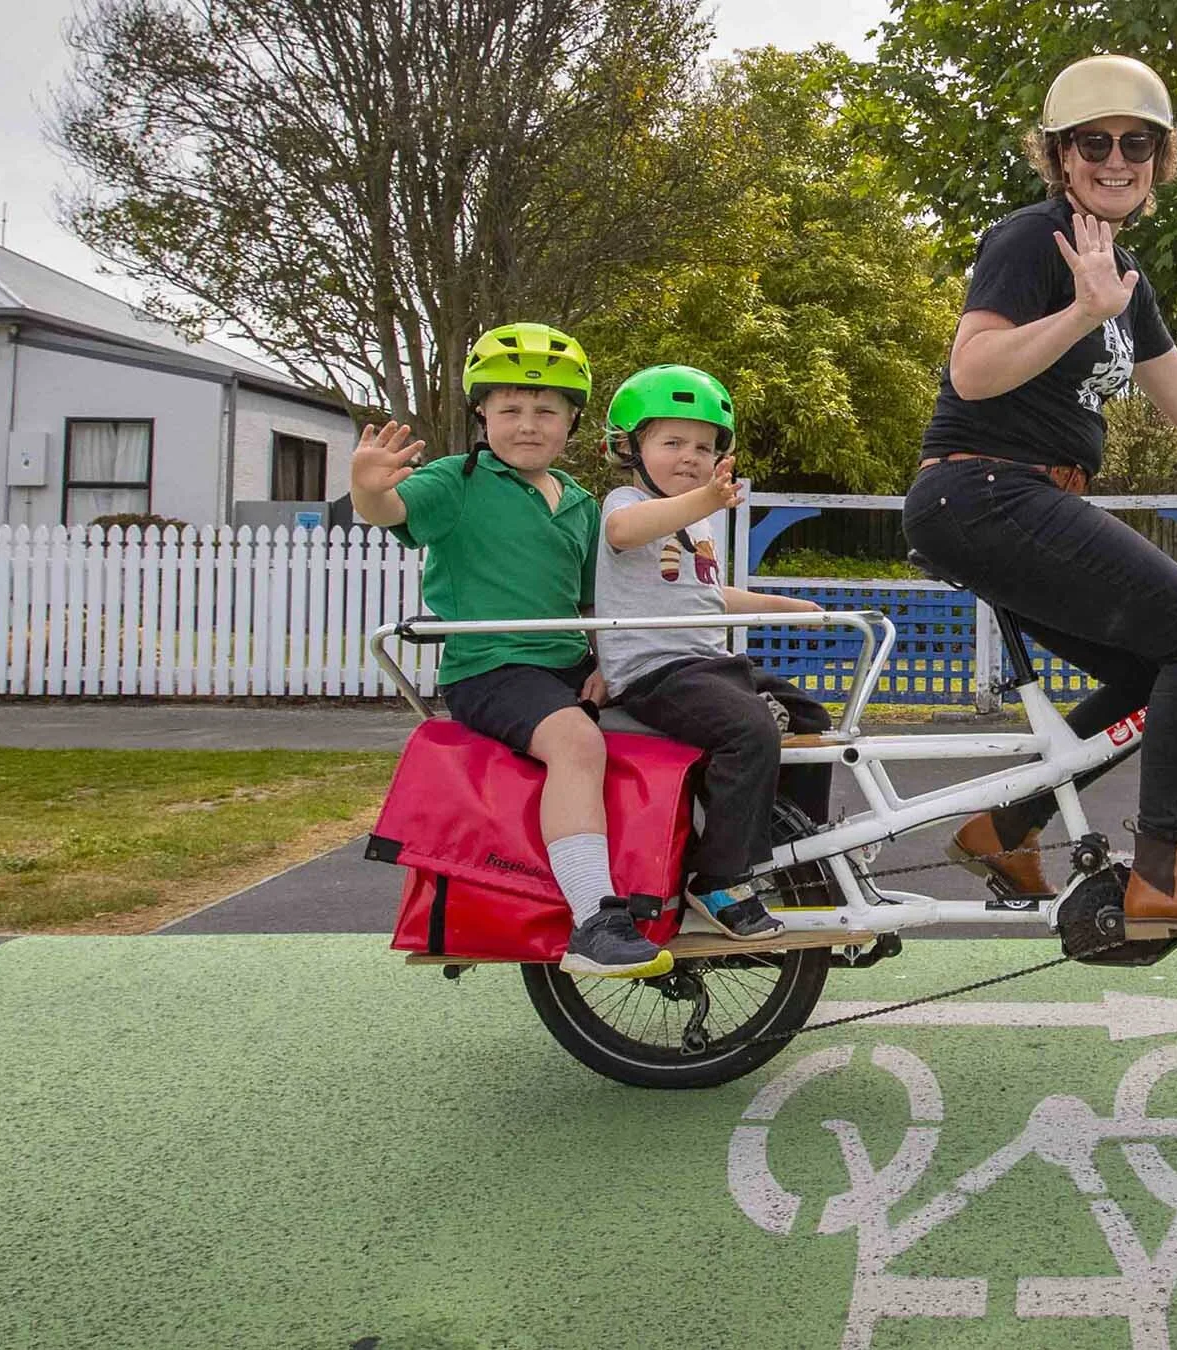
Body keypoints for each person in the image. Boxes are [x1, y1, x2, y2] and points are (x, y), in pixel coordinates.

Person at [901, 54, 1177, 935]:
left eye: (1135, 142)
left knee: (1155, 672)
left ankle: (1005, 827)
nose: (1115, 158)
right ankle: (1166, 870)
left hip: (1013, 499)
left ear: (1159, 158)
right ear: (1061, 157)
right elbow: (972, 370)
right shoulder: (1035, 240)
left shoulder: (1123, 272)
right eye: (1092, 142)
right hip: (983, 491)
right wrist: (1078, 311)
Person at [352, 323, 671, 979]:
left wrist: (607, 666)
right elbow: (386, 510)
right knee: (578, 746)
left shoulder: (581, 503)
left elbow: (596, 604)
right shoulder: (456, 480)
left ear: (572, 420)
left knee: (671, 725)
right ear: (482, 413)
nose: (528, 424)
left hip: (566, 666)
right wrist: (369, 487)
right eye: (510, 409)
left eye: (546, 410)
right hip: (491, 666)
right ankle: (593, 922)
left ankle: (669, 889)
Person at [592, 364, 832, 938]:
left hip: (707, 664)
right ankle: (716, 878)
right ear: (629, 446)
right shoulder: (624, 502)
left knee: (809, 717)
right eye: (671, 442)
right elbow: (625, 533)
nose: (689, 456)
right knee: (749, 730)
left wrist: (783, 604)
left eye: (703, 446)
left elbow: (705, 595)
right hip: (656, 671)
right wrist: (703, 499)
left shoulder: (697, 523)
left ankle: (794, 849)